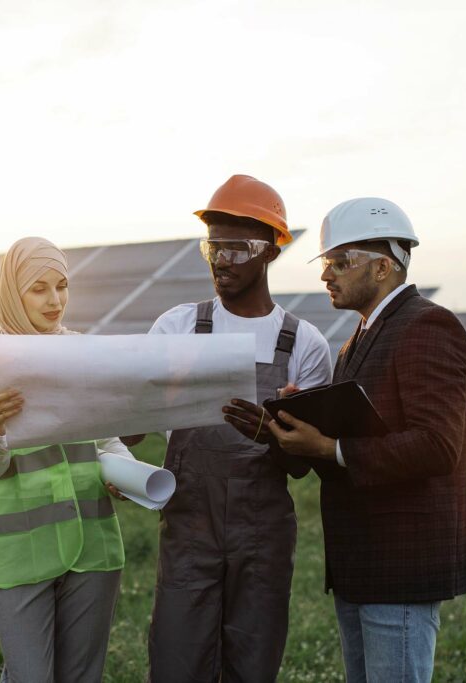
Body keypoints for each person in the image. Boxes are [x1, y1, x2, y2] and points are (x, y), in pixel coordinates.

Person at [125, 175, 333, 682]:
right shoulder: (177, 327)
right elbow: (128, 426)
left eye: (236, 250)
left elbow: (303, 466)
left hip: (261, 538)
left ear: (271, 253)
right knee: (177, 663)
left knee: (252, 666)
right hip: (189, 529)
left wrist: (274, 436)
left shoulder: (303, 345)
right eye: (212, 248)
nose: (221, 261)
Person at [266, 198, 466, 682]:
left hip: (399, 563)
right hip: (361, 561)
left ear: (384, 266)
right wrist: (312, 413)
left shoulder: (427, 325)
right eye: (326, 263)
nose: (326, 275)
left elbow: (435, 445)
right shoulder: (358, 338)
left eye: (340, 262)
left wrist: (330, 448)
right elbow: (369, 423)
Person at [0, 236, 132, 683]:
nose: (55, 301)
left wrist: (127, 472)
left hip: (94, 548)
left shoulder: (84, 354)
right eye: (39, 288)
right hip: (18, 553)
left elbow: (106, 440)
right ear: (13, 291)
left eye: (62, 286)